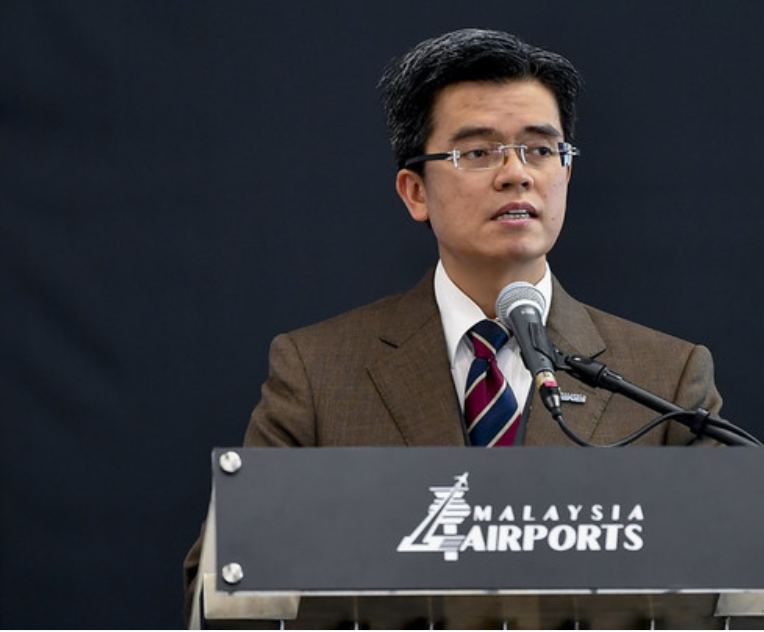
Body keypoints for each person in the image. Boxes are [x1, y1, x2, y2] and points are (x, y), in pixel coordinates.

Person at [184, 28, 724, 628]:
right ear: (415, 191)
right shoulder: (317, 371)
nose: (516, 174)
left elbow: (739, 587)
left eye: (542, 150)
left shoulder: (666, 377)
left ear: (566, 173)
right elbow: (224, 587)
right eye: (479, 151)